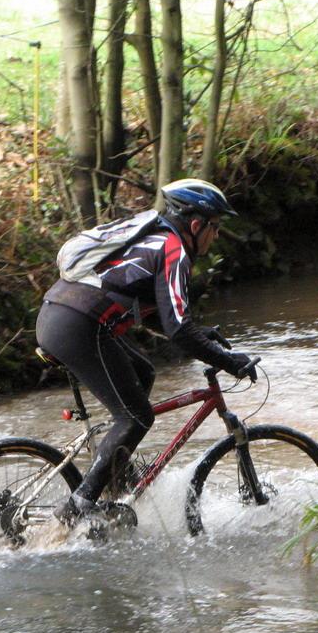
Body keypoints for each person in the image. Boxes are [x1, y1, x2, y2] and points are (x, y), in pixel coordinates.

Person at [35, 178, 256, 526]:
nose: (216, 236)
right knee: (136, 417)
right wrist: (229, 362)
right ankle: (78, 506)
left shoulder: (151, 237)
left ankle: (115, 475)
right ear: (196, 225)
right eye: (215, 227)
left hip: (61, 316)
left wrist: (203, 335)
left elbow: (155, 311)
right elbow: (178, 330)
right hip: (78, 326)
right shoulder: (173, 250)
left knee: (143, 374)